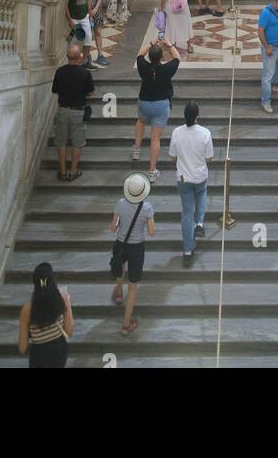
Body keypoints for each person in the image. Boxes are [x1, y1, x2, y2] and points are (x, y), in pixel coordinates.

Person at [110, 172, 155, 337]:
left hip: (120, 244)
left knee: (119, 266)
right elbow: (151, 232)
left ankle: (119, 293)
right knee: (134, 287)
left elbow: (113, 227)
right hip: (136, 248)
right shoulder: (147, 208)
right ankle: (126, 325)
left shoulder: (120, 204)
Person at [169, 101, 214, 268]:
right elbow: (209, 158)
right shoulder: (205, 133)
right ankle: (200, 223)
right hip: (200, 175)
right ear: (197, 115)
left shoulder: (176, 132)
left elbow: (172, 157)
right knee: (202, 194)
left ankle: (187, 251)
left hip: (183, 178)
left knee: (186, 214)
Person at [134, 37, 180, 182]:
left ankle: (136, 150)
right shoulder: (167, 69)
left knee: (141, 122)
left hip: (144, 103)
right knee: (155, 139)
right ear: (162, 57)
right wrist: (169, 44)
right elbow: (177, 58)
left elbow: (139, 55)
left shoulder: (142, 66)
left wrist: (151, 43)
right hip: (161, 105)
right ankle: (152, 171)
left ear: (149, 56)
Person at [51, 41, 94, 181]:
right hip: (78, 111)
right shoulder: (85, 73)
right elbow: (90, 93)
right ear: (80, 57)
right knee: (78, 143)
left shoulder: (60, 72)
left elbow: (55, 91)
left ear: (68, 57)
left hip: (63, 109)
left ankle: (62, 171)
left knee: (61, 142)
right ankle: (73, 171)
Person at [17, 262, 73, 368]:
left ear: (35, 283)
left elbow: (22, 348)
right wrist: (68, 304)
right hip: (59, 352)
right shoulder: (61, 300)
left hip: (39, 357)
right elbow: (69, 331)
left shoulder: (27, 310)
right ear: (52, 280)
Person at [65, 0, 99, 68]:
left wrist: (89, 13)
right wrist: (70, 20)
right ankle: (72, 64)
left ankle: (84, 62)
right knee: (73, 43)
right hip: (74, 17)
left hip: (84, 16)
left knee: (88, 39)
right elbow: (65, 4)